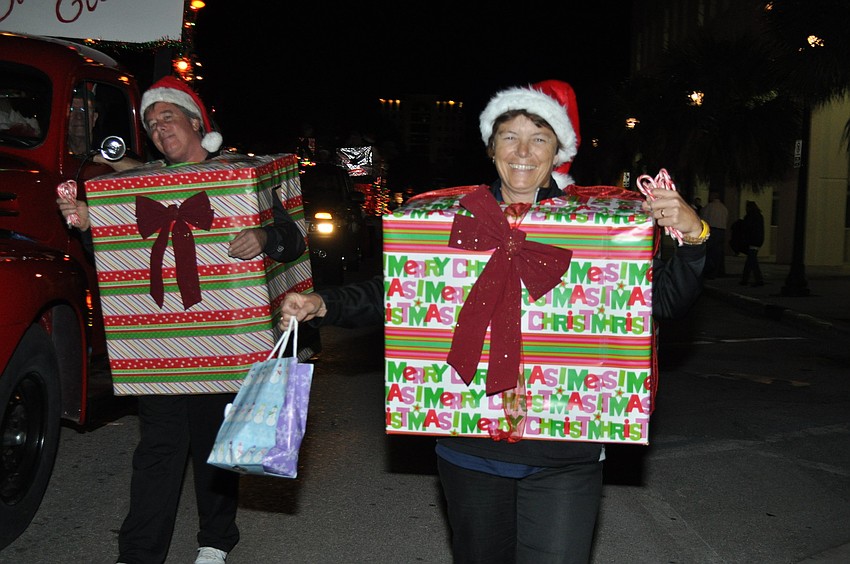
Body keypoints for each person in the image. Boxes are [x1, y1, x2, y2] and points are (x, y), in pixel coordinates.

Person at [280, 80, 708, 563]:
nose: (523, 151)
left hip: (565, 449)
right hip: (469, 444)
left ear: (558, 150)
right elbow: (400, 292)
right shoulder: (449, 217)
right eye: (510, 135)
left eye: (540, 137)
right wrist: (323, 303)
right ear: (490, 146)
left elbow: (666, 302)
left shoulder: (598, 226)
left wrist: (694, 236)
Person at [57, 75, 306, 564]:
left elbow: (293, 238)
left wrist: (263, 237)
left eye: (166, 117)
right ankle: (139, 553)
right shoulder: (134, 187)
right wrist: (87, 223)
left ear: (195, 122)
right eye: (150, 124)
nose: (158, 129)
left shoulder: (240, 175)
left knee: (215, 445)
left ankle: (215, 541)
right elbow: (113, 252)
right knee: (158, 450)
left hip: (224, 339)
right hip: (161, 343)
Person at [699, 191, 729, 279]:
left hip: (712, 230)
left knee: (709, 252)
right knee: (718, 253)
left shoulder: (709, 207)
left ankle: (709, 271)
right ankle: (717, 271)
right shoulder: (724, 208)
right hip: (721, 231)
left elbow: (703, 218)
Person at [740, 200, 765, 287]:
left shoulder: (750, 217)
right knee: (751, 260)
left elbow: (747, 228)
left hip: (752, 240)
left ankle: (758, 279)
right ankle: (746, 279)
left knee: (752, 261)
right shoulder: (759, 216)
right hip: (758, 240)